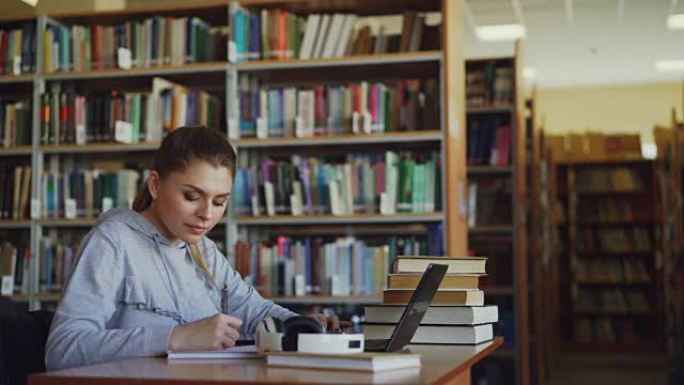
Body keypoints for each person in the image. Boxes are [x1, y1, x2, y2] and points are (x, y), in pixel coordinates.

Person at [45, 126, 337, 371]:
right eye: (191, 196)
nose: (207, 214)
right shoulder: (113, 241)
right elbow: (63, 350)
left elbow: (253, 309)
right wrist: (175, 337)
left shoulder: (204, 250)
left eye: (220, 202)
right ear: (156, 185)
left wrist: (301, 325)